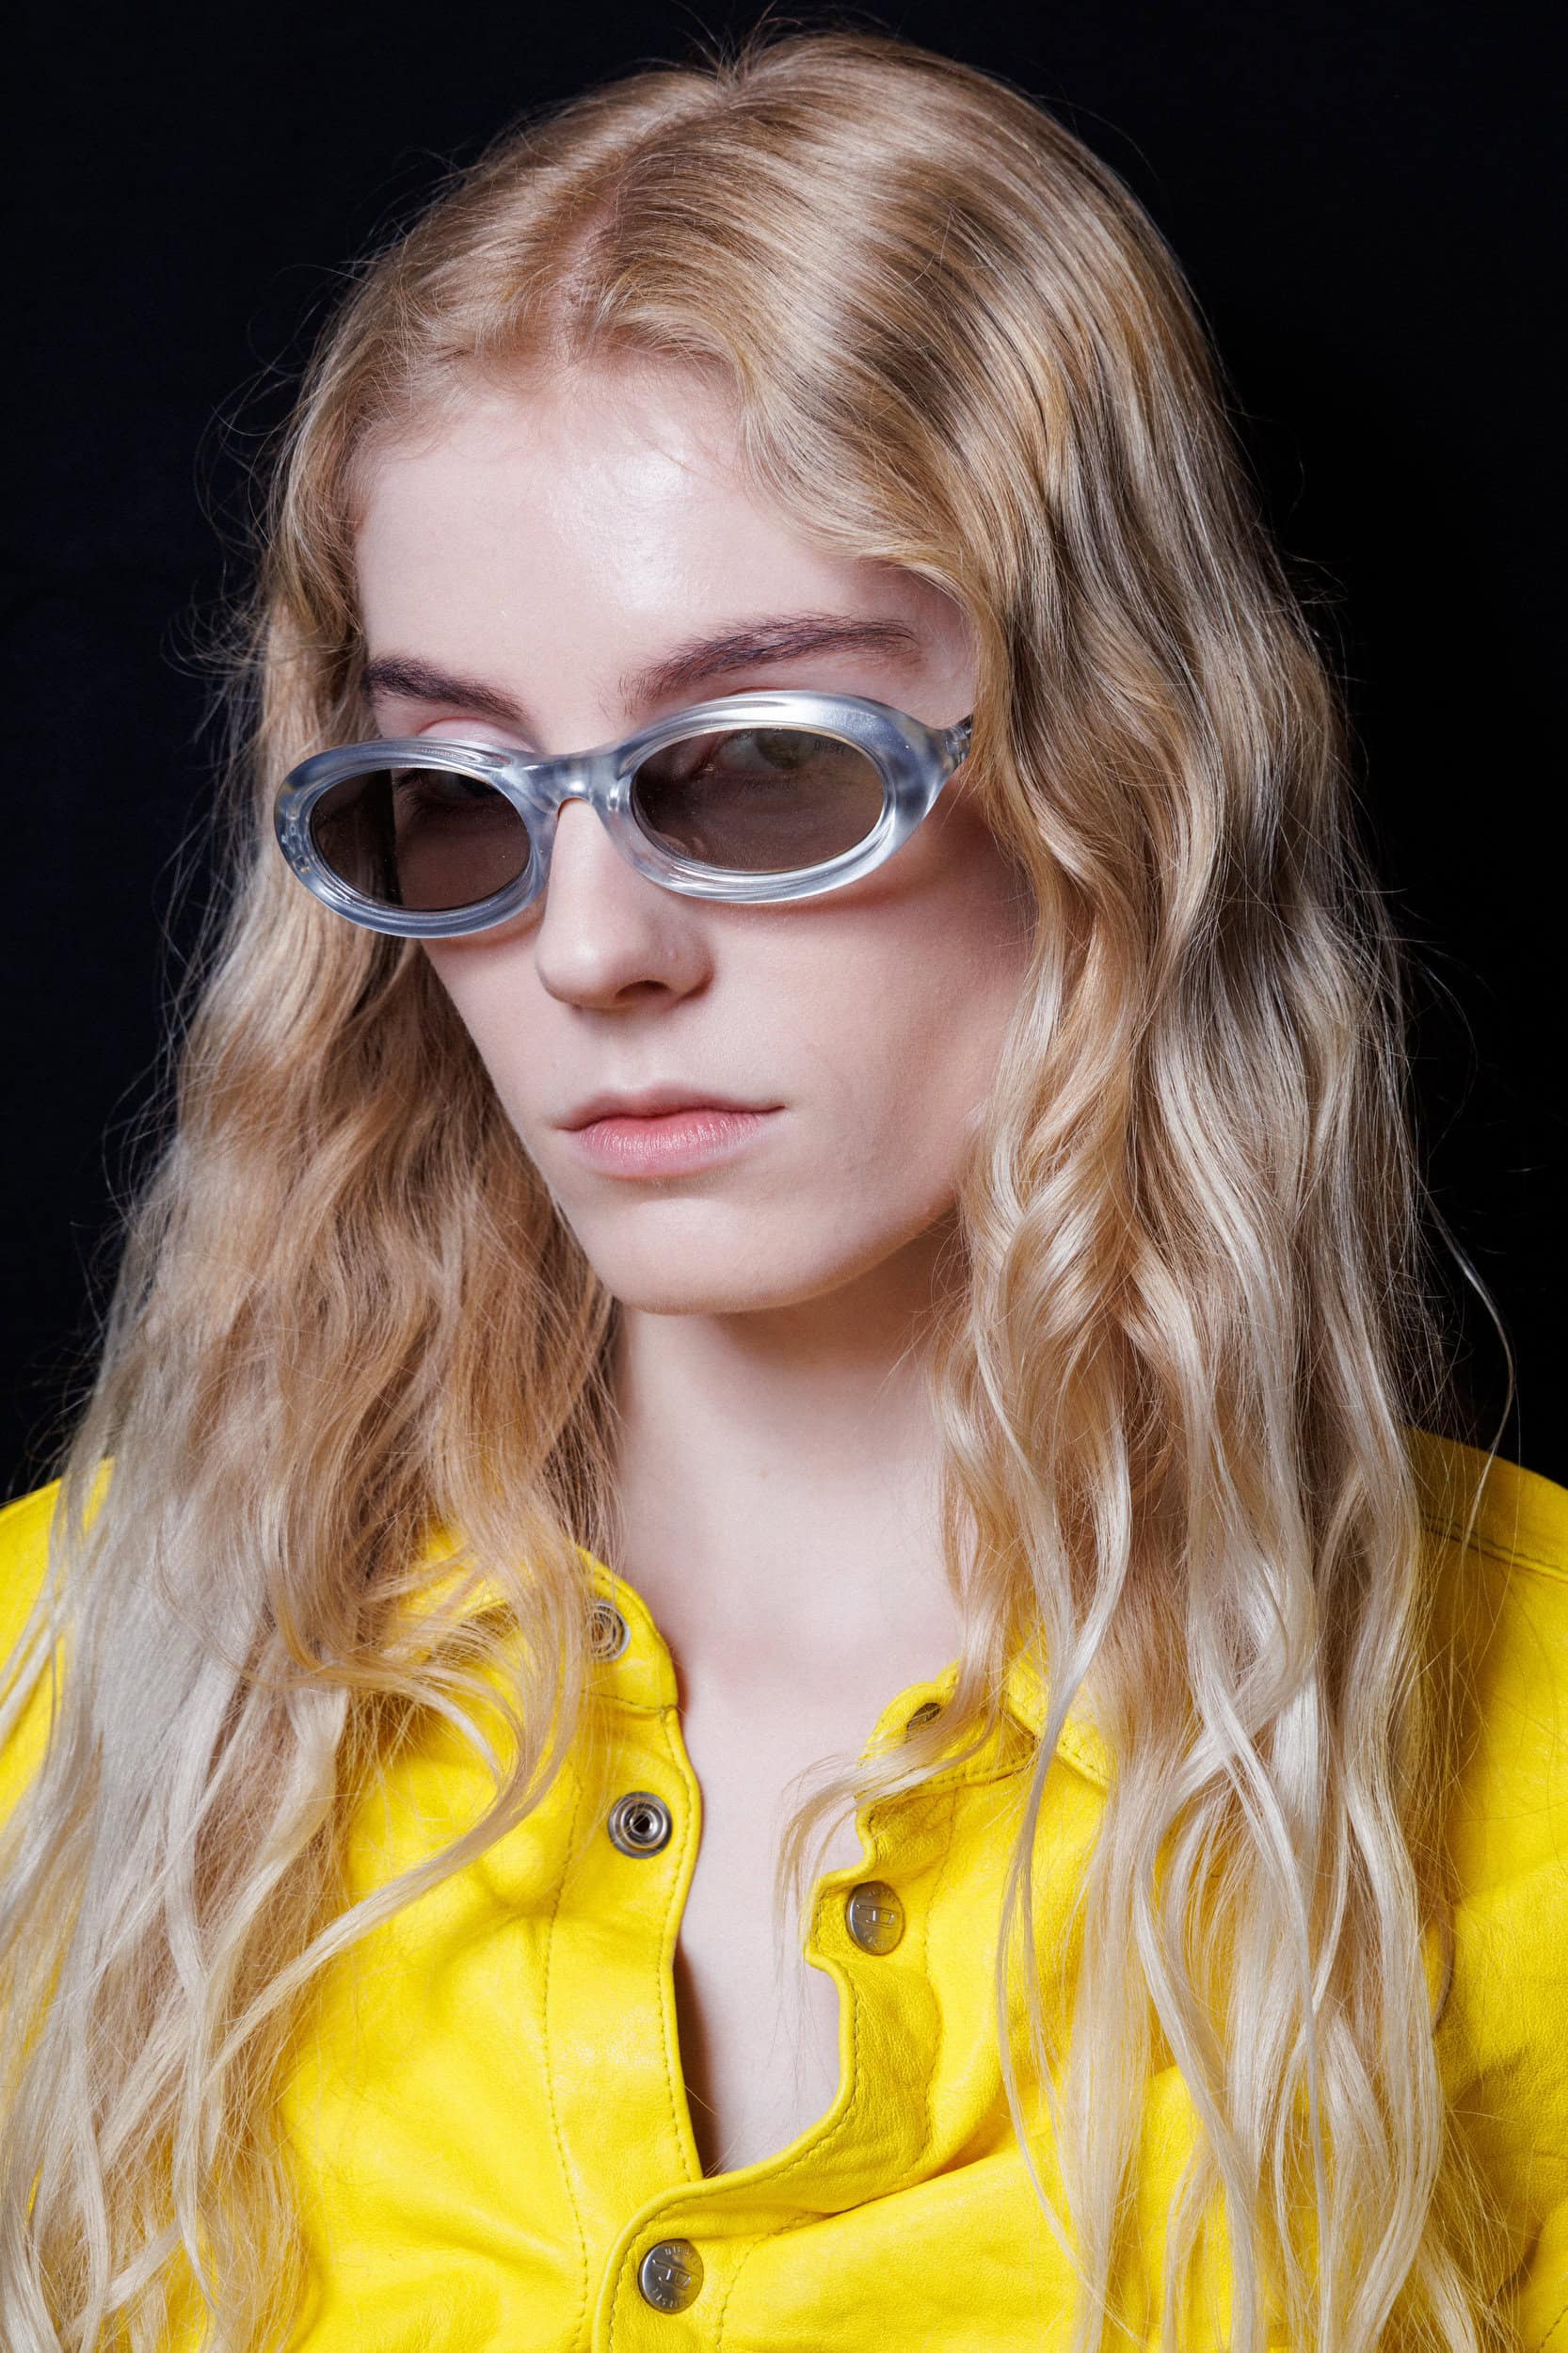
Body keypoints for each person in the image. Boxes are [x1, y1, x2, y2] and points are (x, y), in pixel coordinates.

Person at [1, 22, 1563, 2353]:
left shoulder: (1528, 1766)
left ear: (1122, 771)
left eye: (755, 765)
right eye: (454, 790)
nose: (588, 948)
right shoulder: (57, 1694)